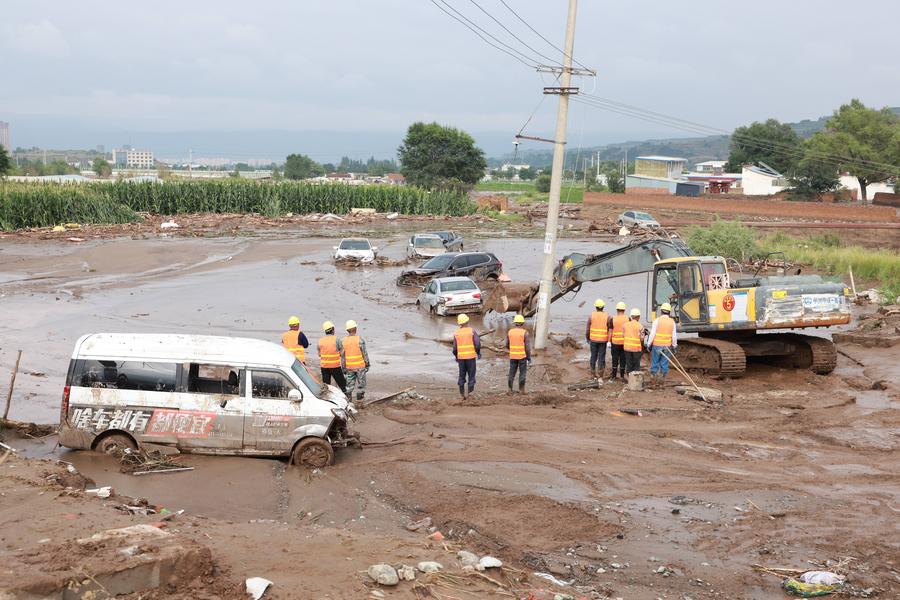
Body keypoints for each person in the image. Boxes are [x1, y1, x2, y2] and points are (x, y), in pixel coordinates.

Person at [646, 303, 677, 388]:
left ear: (661, 311)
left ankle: (653, 380)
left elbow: (652, 334)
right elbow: (674, 336)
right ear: (669, 312)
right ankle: (662, 381)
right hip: (667, 346)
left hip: (657, 346)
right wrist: (674, 346)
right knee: (664, 364)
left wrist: (649, 344)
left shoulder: (657, 320)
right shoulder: (672, 322)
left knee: (655, 362)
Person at [452, 313, 481, 400]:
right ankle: (470, 394)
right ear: (467, 321)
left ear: (459, 323)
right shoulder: (472, 331)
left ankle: (461, 395)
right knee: (471, 376)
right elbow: (477, 344)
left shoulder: (456, 333)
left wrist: (456, 356)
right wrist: (478, 353)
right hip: (471, 357)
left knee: (461, 375)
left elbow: (454, 348)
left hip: (461, 358)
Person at [340, 320, 370, 402]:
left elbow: (342, 357)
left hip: (349, 367)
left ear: (347, 330)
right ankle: (360, 401)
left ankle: (348, 401)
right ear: (355, 328)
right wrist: (367, 364)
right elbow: (364, 354)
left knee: (349, 386)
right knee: (361, 385)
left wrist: (343, 368)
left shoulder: (343, 341)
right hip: (360, 367)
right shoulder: (360, 340)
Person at [585, 299, 611, 380]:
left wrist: (587, 338)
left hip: (593, 340)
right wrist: (609, 340)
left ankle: (593, 373)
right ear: (603, 307)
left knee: (593, 356)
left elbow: (588, 329)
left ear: (596, 307)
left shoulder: (591, 316)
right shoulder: (607, 316)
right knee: (601, 357)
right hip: (603, 340)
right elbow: (609, 329)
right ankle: (600, 374)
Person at [318, 320, 347, 394]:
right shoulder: (337, 340)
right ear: (333, 329)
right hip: (335, 366)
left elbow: (319, 354)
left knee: (326, 386)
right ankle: (347, 397)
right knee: (343, 385)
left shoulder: (320, 341)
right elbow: (342, 353)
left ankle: (327, 399)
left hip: (324, 367)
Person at [506, 314, 532, 394]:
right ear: (522, 323)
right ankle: (521, 390)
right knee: (522, 373)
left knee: (511, 372)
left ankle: (510, 390)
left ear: (515, 323)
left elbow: (507, 344)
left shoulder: (510, 332)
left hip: (513, 356)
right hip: (522, 357)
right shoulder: (525, 333)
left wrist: (512, 350)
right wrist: (528, 357)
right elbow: (527, 347)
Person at [609, 302, 629, 381]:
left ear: (617, 309)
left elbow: (610, 331)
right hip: (624, 342)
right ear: (624, 310)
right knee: (623, 359)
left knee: (615, 359)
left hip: (615, 343)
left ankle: (613, 376)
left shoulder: (613, 319)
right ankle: (622, 376)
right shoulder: (628, 319)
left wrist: (608, 341)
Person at [623, 308, 644, 376]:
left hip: (627, 348)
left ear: (631, 316)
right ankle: (635, 379)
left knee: (629, 363)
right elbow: (642, 339)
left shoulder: (625, 325)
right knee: (636, 364)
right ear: (638, 317)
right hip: (636, 349)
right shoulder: (640, 326)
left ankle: (629, 378)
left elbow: (623, 335)